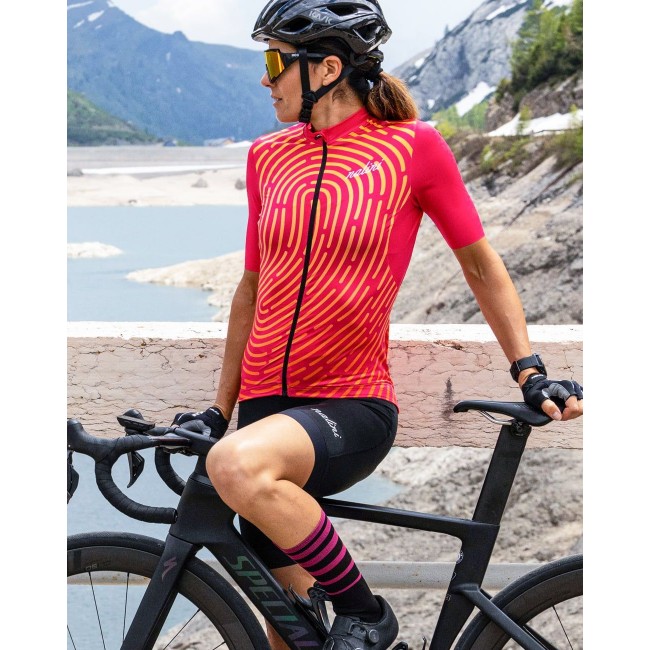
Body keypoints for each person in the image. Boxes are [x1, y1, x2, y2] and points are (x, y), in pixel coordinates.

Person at [172, 1, 584, 649]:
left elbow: (480, 265)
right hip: (264, 413)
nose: (265, 78)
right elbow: (251, 289)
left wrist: (528, 369)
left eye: (276, 61)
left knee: (235, 468)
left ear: (327, 68)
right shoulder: (266, 157)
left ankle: (366, 612)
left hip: (350, 407)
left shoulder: (411, 148)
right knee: (291, 640)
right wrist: (218, 411)